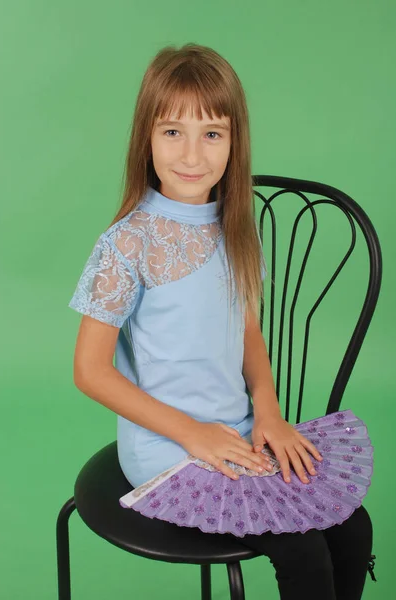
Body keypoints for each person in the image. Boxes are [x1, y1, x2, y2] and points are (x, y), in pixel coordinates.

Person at [68, 43, 375, 600]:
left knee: (353, 527)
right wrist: (191, 434)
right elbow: (90, 371)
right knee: (303, 551)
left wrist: (271, 415)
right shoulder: (129, 243)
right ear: (146, 138)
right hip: (170, 448)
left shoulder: (237, 230)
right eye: (172, 132)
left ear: (235, 144)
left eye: (212, 133)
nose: (192, 153)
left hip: (236, 433)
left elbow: (248, 334)